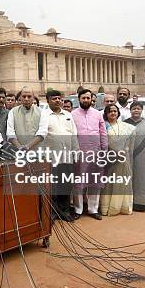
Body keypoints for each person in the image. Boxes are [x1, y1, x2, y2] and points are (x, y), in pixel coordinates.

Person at [71, 89, 108, 220]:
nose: (86, 100)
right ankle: (78, 209)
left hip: (96, 152)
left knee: (95, 182)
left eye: (88, 98)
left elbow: (103, 133)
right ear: (79, 99)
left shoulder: (98, 114)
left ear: (92, 100)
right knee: (78, 183)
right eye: (83, 98)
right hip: (79, 153)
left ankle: (93, 209)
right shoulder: (72, 114)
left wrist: (104, 150)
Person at [45, 90, 78, 222]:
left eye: (59, 98)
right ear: (48, 101)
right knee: (53, 186)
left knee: (66, 184)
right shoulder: (44, 116)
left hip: (67, 156)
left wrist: (76, 152)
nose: (57, 100)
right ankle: (53, 212)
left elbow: (74, 135)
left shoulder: (68, 115)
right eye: (54, 98)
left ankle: (64, 211)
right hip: (51, 157)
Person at [100, 104, 135, 216]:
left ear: (118, 113)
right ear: (106, 113)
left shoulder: (125, 126)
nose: (113, 113)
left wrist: (124, 150)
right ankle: (107, 207)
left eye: (115, 111)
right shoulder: (103, 126)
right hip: (109, 159)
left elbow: (129, 143)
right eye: (110, 111)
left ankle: (122, 207)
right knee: (109, 183)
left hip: (123, 158)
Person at [125, 102, 145, 211]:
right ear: (130, 110)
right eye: (134, 109)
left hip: (144, 154)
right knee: (129, 178)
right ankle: (128, 203)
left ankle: (143, 203)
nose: (136, 111)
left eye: (138, 109)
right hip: (128, 155)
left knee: (143, 178)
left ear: (141, 110)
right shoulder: (125, 123)